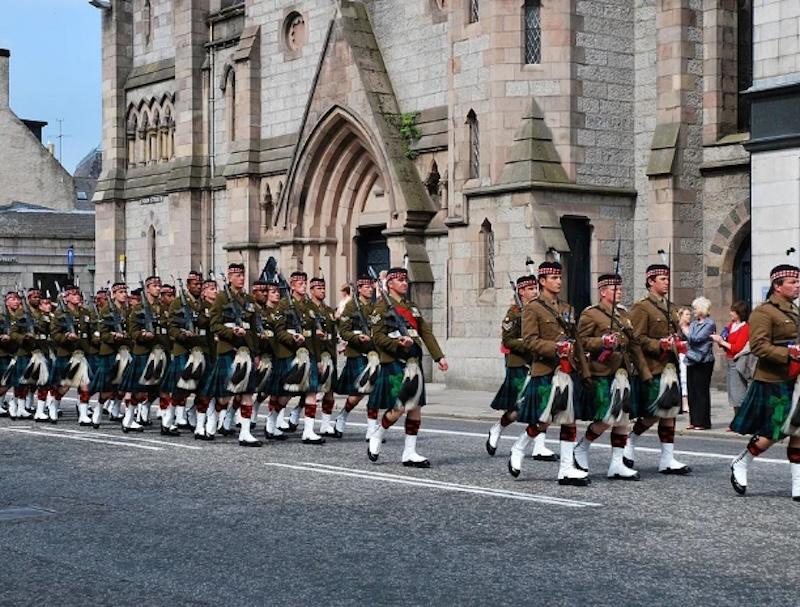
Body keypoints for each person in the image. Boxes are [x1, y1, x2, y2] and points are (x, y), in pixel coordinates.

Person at [507, 260, 591, 485]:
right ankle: (519, 447)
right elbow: (530, 341)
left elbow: (577, 341)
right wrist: (555, 347)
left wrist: (585, 372)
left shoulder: (568, 308)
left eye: (560, 277)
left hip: (568, 371)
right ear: (542, 281)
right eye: (554, 278)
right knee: (544, 420)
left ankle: (566, 469)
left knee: (569, 419)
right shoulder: (532, 308)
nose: (559, 281)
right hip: (546, 370)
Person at [730, 264, 800, 501]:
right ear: (777, 286)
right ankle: (742, 461)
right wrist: (790, 354)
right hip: (773, 379)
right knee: (774, 431)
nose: (797, 285)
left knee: (798, 429)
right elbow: (759, 346)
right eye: (792, 282)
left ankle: (798, 484)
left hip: (795, 379)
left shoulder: (795, 310)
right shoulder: (763, 312)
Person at [573, 273, 652, 481]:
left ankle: (617, 464)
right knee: (606, 417)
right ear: (603, 292)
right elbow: (581, 342)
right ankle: (582, 446)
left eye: (620, 288)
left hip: (623, 372)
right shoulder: (591, 314)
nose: (619, 292)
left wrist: (645, 373)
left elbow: (633, 345)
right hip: (602, 370)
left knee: (622, 418)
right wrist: (602, 341)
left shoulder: (623, 314)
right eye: (614, 289)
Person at [367, 266, 449, 467]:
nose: (405, 283)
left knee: (415, 407)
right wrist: (397, 343)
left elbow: (425, 332)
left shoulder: (411, 307)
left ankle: (409, 452)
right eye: (400, 280)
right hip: (395, 361)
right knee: (399, 407)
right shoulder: (381, 308)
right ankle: (378, 432)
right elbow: (377, 337)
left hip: (413, 361)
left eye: (405, 280)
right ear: (390, 284)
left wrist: (438, 356)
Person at [625, 263, 691, 475]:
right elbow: (636, 339)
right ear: (650, 281)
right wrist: (659, 344)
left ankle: (667, 458)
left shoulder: (671, 307)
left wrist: (678, 342)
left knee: (670, 412)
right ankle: (631, 439)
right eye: (662, 279)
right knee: (653, 412)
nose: (666, 282)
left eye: (667, 278)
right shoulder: (641, 307)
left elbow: (676, 332)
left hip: (670, 366)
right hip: (652, 366)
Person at [485, 273, 556, 461]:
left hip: (538, 363)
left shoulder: (541, 310)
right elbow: (508, 341)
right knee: (518, 408)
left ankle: (539, 446)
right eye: (530, 289)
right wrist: (530, 343)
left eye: (535, 288)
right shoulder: (514, 313)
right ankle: (498, 428)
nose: (535, 292)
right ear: (521, 292)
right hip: (519, 364)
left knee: (543, 404)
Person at [204, 263, 262, 447]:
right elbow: (214, 325)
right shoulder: (221, 298)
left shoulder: (249, 299)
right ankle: (212, 418)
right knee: (223, 394)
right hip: (228, 349)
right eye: (237, 276)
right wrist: (231, 332)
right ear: (229, 278)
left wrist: (256, 353)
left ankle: (245, 433)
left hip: (246, 350)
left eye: (242, 275)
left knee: (247, 392)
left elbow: (253, 329)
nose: (241, 278)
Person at [334, 275, 380, 439]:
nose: (370, 290)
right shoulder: (351, 306)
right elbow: (343, 331)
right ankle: (343, 415)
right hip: (357, 353)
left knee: (374, 391)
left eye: (371, 287)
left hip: (374, 354)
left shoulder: (376, 307)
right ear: (359, 289)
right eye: (366, 287)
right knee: (357, 394)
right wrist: (357, 337)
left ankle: (372, 429)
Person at [711, 301, 750, 429]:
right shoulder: (731, 326)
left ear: (739, 313)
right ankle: (736, 420)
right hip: (729, 360)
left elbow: (737, 347)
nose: (730, 313)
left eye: (733, 311)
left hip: (737, 361)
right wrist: (720, 341)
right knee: (732, 393)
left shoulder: (745, 328)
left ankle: (741, 421)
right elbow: (725, 342)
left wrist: (722, 342)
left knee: (739, 392)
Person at [685, 297, 716, 430]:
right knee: (692, 390)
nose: (693, 311)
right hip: (691, 359)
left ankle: (703, 421)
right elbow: (691, 339)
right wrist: (689, 334)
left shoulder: (709, 323)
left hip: (704, 361)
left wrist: (685, 329)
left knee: (701, 391)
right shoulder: (694, 324)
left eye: (695, 308)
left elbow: (696, 338)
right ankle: (694, 420)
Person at [677, 306, 692, 413]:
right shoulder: (678, 329)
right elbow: (675, 342)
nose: (689, 316)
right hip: (682, 356)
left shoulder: (692, 327)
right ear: (681, 316)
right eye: (686, 314)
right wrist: (683, 344)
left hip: (691, 356)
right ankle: (684, 403)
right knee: (683, 379)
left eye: (689, 314)